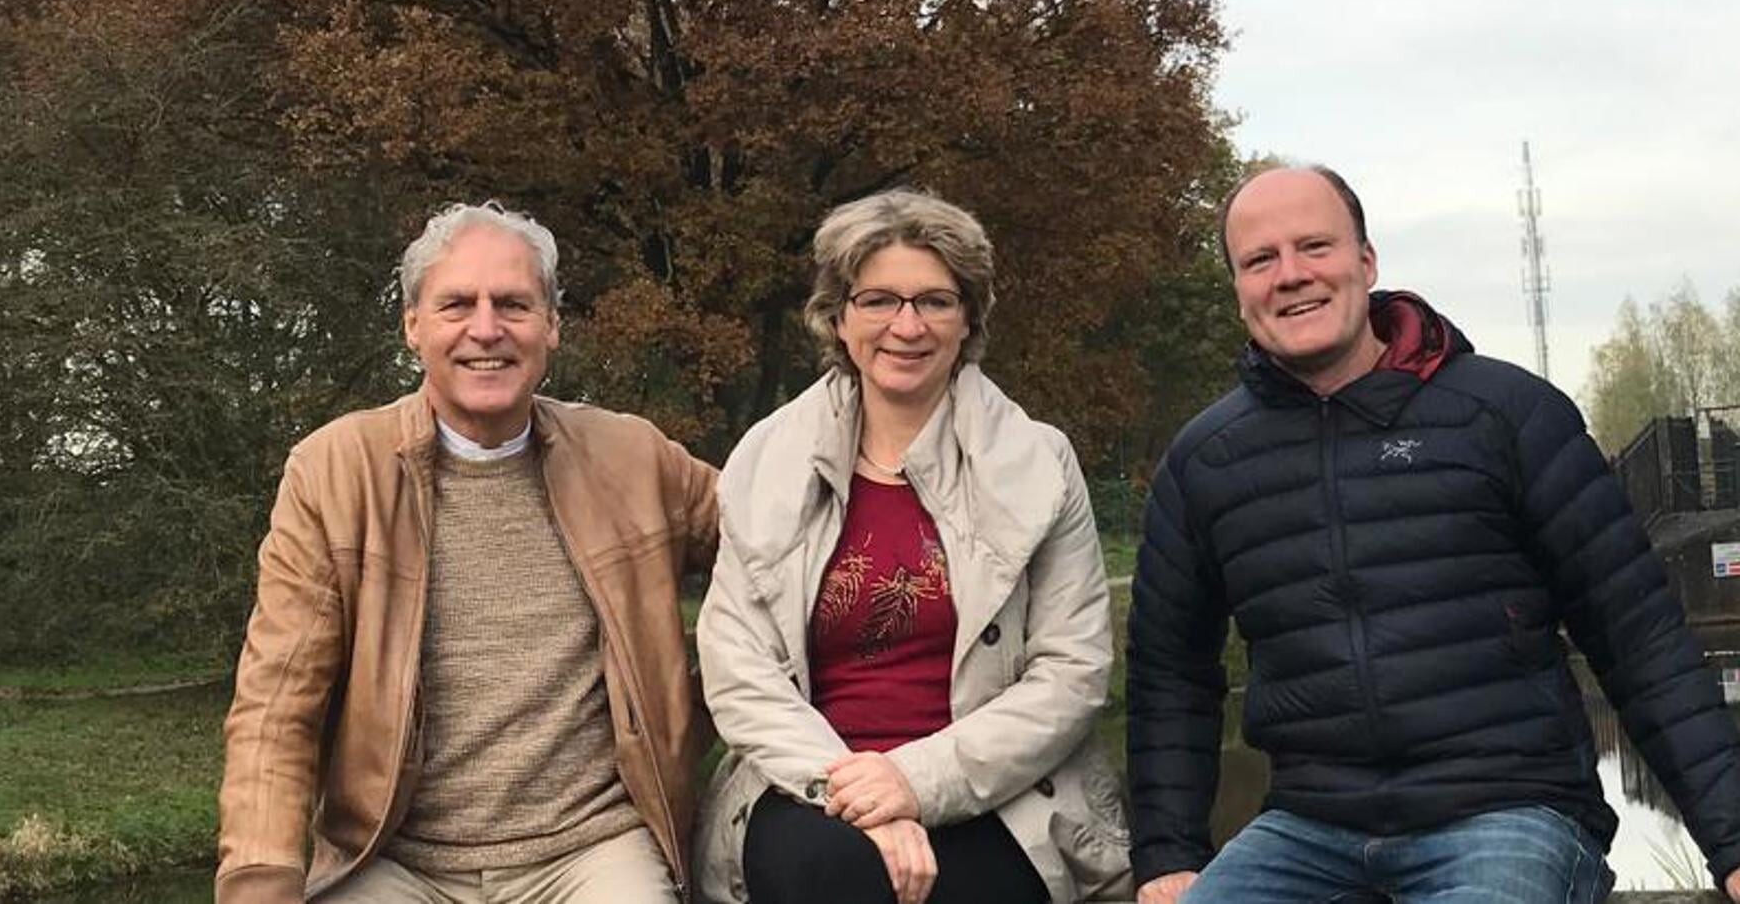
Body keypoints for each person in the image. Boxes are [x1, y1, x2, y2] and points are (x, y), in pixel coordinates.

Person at [1127, 165, 1740, 904]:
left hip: (1508, 811)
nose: (1290, 275)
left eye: (1313, 246)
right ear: (1237, 288)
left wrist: (1731, 838)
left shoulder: (1507, 415)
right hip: (1307, 828)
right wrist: (1167, 851)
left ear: (1365, 260)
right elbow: (1170, 670)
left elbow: (1636, 634)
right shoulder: (1206, 460)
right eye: (1260, 259)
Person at [214, 201, 719, 904]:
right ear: (412, 326)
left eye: (513, 303)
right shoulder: (334, 471)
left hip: (592, 849)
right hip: (393, 860)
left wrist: (706, 707)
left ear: (551, 326)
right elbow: (276, 701)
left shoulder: (632, 456)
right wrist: (261, 876)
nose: (487, 328)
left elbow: (782, 549)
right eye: (457, 304)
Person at [692, 189, 1131, 904]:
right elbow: (738, 668)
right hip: (809, 779)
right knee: (833, 872)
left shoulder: (1037, 463)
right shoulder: (766, 459)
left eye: (934, 300)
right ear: (839, 315)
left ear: (968, 320)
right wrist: (860, 792)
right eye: (878, 300)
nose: (906, 325)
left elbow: (1070, 670)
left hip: (998, 787)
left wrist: (915, 782)